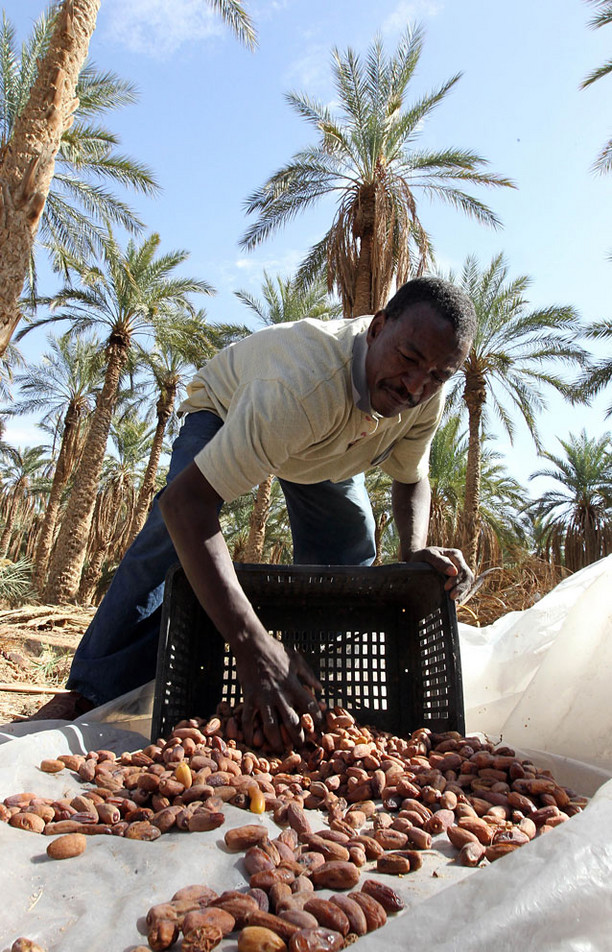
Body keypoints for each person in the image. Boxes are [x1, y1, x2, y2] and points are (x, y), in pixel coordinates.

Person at [29, 276, 478, 750]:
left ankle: (313, 693)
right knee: (170, 537)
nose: (414, 386)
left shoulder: (428, 388)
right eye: (408, 360)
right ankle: (90, 692)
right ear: (378, 327)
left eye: (436, 375)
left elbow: (411, 477)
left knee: (349, 547)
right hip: (227, 408)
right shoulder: (300, 387)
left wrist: (415, 554)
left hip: (325, 450)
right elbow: (187, 506)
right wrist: (251, 645)